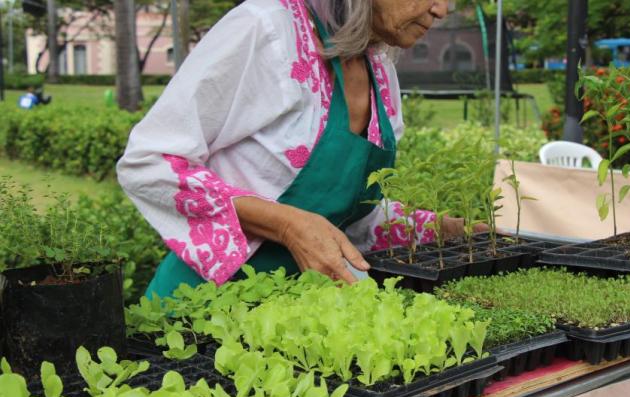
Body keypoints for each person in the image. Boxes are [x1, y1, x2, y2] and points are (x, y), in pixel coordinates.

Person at [117, 0, 472, 299]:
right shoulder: (267, 29)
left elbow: (345, 217)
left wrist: (437, 230)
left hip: (295, 319)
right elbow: (149, 162)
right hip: (205, 310)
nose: (443, 9)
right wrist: (286, 225)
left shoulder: (378, 68)